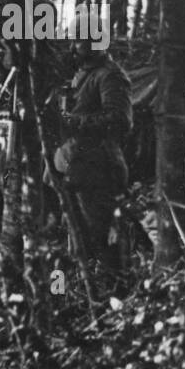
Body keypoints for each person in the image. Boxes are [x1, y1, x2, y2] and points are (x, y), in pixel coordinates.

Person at [54, 40, 133, 272]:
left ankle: (109, 291)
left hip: (100, 166)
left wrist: (75, 122)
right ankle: (80, 291)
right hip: (77, 162)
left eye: (78, 42)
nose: (73, 49)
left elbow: (120, 120)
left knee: (99, 235)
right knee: (73, 231)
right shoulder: (85, 74)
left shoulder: (110, 76)